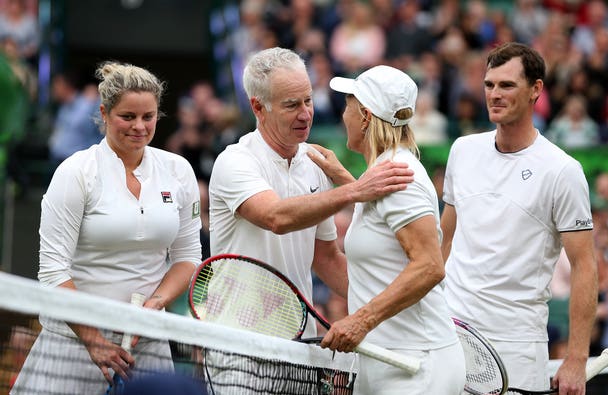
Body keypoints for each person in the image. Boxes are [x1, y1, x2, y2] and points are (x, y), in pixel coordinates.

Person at [11, 61, 202, 394]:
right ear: (104, 112)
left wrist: (155, 303)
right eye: (127, 117)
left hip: (147, 343)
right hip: (72, 345)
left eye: (149, 117)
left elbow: (187, 257)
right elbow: (53, 272)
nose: (139, 127)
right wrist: (94, 340)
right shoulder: (75, 173)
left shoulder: (179, 170)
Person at [208, 47, 414, 336]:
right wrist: (354, 189)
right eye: (292, 105)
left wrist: (385, 311)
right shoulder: (235, 161)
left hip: (300, 339)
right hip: (239, 342)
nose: (306, 114)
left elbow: (327, 258)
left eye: (308, 100)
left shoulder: (317, 163)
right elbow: (275, 217)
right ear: (258, 107)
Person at [440, 42, 598, 394]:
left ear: (536, 90)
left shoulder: (562, 171)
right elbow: (444, 241)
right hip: (450, 335)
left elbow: (585, 265)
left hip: (517, 346)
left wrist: (576, 359)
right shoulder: (462, 151)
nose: (494, 94)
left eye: (507, 85)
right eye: (489, 85)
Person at [310, 65, 465, 394]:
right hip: (395, 361)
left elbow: (429, 266)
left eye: (348, 106)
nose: (343, 116)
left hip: (416, 366)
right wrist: (347, 181)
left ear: (365, 116)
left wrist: (360, 320)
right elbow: (384, 230)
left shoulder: (399, 174)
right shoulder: (387, 170)